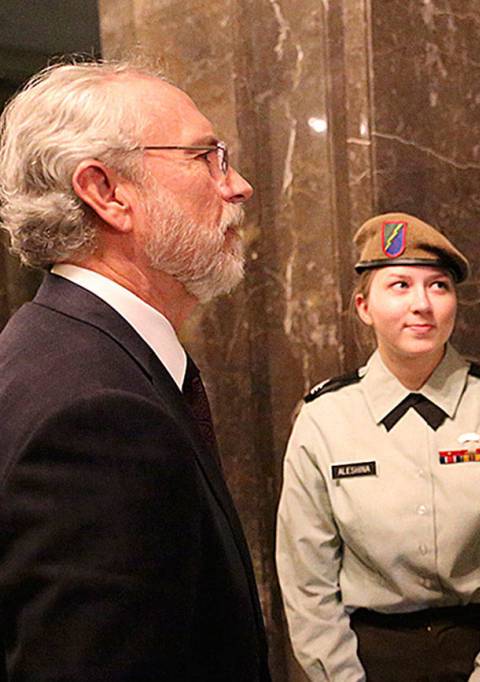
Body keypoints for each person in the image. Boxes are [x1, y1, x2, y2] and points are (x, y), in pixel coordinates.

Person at [0, 61, 270, 680]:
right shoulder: (96, 416)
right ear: (107, 192)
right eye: (206, 158)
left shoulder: (56, 348)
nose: (238, 186)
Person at [276, 212, 480, 681]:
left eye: (438, 286)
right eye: (400, 286)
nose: (422, 304)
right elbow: (307, 582)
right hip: (368, 660)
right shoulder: (324, 419)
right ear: (364, 306)